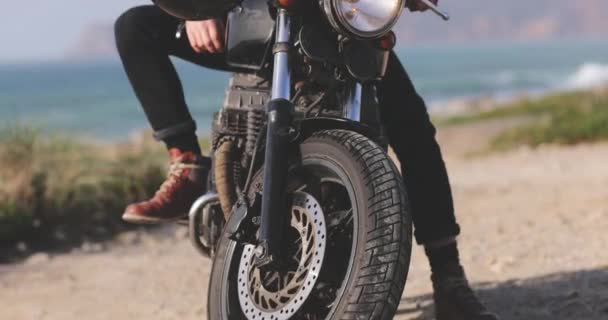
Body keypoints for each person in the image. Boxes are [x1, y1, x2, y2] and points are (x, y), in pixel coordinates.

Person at [114, 1, 499, 319]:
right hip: (249, 12)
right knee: (135, 27)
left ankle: (448, 277)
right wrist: (194, 10)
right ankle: (185, 161)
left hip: (337, 18)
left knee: (412, 128)